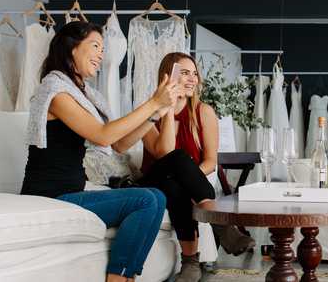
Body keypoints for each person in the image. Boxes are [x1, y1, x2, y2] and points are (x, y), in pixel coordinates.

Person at [21, 21, 181, 282]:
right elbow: (102, 135)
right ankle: (118, 278)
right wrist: (152, 102)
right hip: (50, 197)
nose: (101, 55)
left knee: (155, 196)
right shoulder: (55, 91)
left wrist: (155, 114)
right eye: (95, 46)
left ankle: (125, 276)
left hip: (70, 192)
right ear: (72, 49)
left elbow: (118, 144)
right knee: (146, 200)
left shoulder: (84, 94)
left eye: (102, 48)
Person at [139, 52, 255, 282]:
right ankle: (222, 225)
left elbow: (211, 162)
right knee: (178, 159)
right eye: (184, 73)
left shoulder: (204, 112)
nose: (192, 79)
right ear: (168, 76)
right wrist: (168, 107)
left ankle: (191, 263)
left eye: (194, 74)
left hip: (175, 187)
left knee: (177, 187)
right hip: (153, 181)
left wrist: (188, 180)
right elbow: (162, 153)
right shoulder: (150, 110)